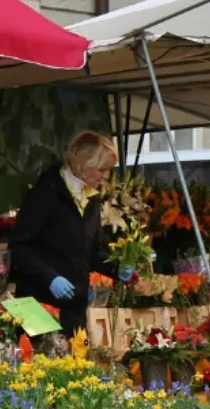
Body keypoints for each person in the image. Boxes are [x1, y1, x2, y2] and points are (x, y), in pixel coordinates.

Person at [9, 130, 134, 338]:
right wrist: (50, 278)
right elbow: (19, 248)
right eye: (102, 170)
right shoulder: (45, 193)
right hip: (38, 305)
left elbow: (94, 251)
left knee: (75, 363)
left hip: (73, 307)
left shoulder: (91, 199)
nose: (105, 177)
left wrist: (116, 267)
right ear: (84, 163)